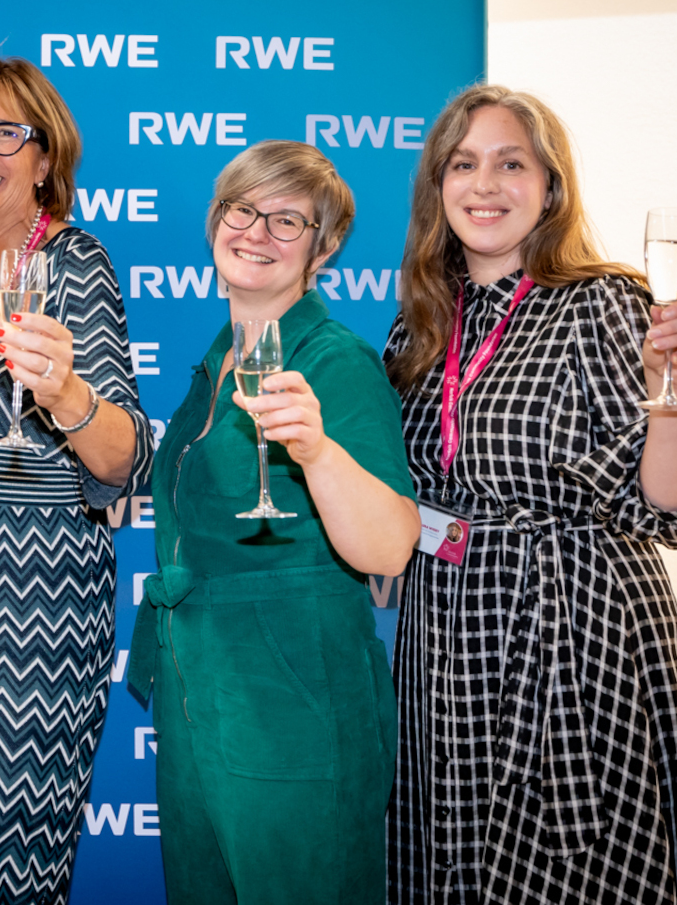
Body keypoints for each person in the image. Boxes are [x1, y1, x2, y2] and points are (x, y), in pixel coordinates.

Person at [383, 85, 677, 904]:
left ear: (550, 187)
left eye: (511, 163)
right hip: (443, 624)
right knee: (449, 849)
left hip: (573, 620)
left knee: (571, 862)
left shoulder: (607, 300)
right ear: (437, 188)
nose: (485, 185)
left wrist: (675, 389)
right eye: (464, 164)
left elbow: (669, 502)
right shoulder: (419, 326)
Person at [126, 141, 419, 904]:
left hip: (294, 702)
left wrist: (318, 452)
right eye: (241, 209)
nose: (256, 231)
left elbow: (389, 545)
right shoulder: (221, 357)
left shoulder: (336, 361)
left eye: (287, 220)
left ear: (324, 249)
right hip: (203, 695)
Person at [0, 57, 154, 905]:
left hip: (33, 608)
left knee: (3, 866)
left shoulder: (76, 265)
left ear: (45, 159)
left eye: (8, 132)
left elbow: (123, 460)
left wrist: (67, 395)